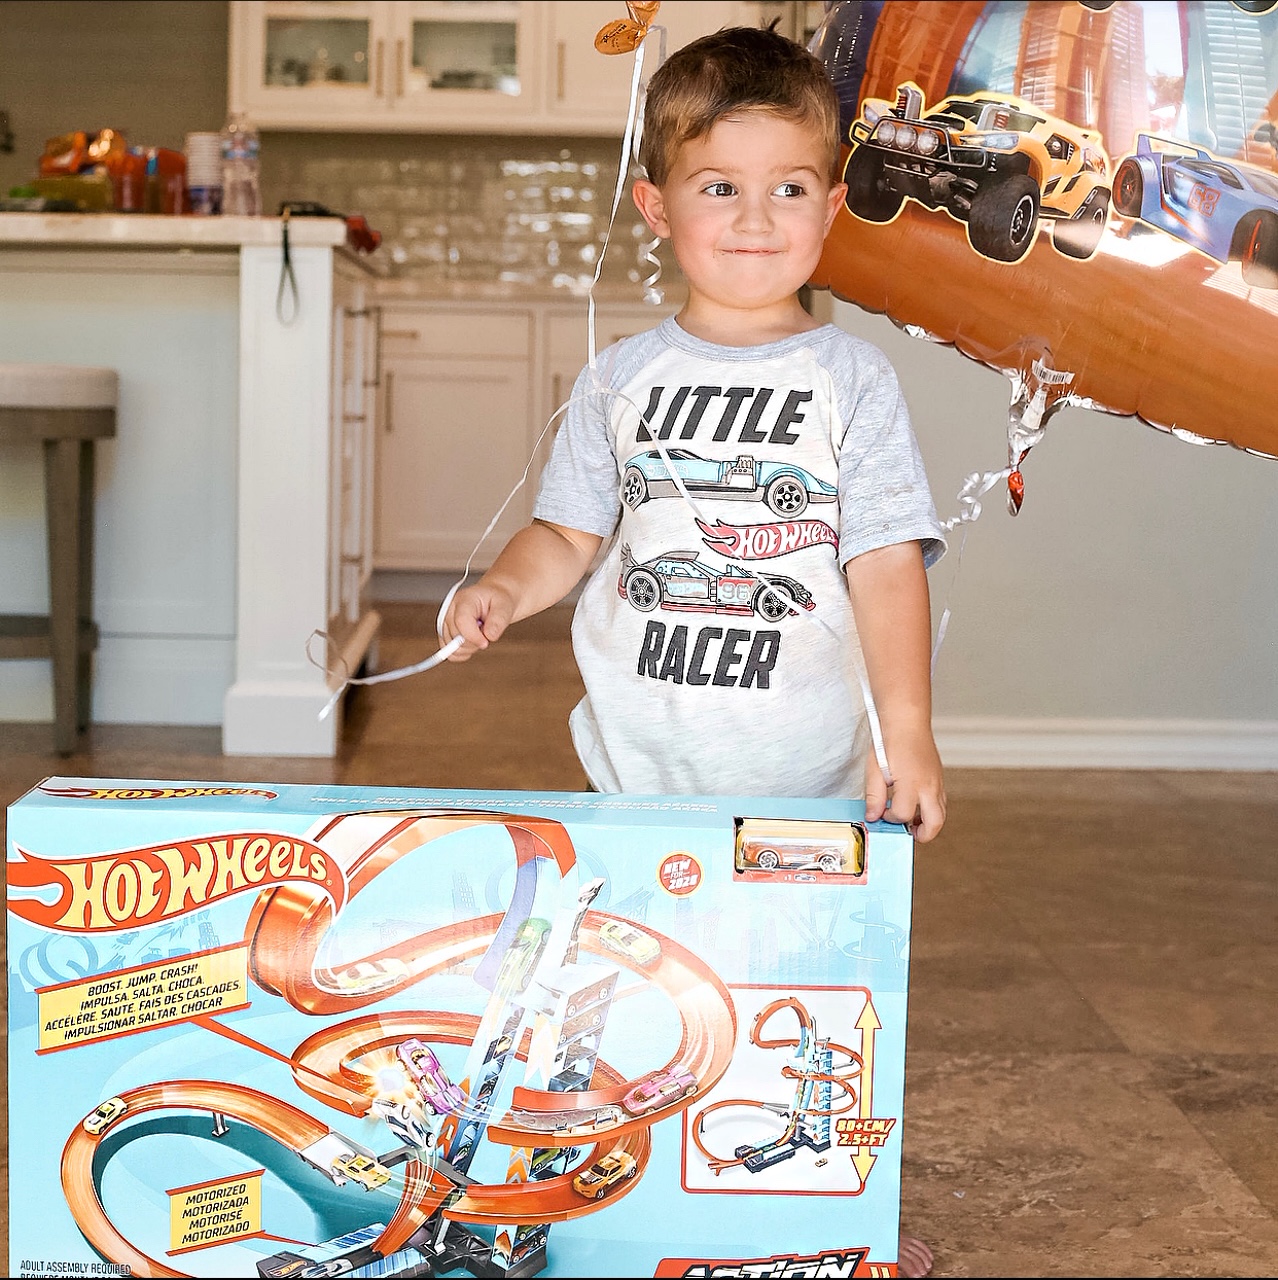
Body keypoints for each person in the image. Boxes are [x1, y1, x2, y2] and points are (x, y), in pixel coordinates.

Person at [443, 25, 946, 845]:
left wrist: (908, 731)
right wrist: (503, 589)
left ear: (831, 207)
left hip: (810, 778)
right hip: (634, 770)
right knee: (633, 962)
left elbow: (886, 565)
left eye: (789, 189)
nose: (757, 218)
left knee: (784, 973)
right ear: (656, 206)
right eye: (718, 188)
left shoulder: (854, 381)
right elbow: (567, 534)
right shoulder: (618, 376)